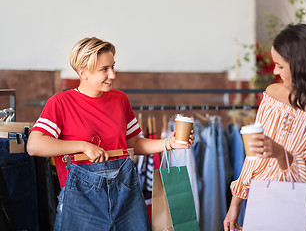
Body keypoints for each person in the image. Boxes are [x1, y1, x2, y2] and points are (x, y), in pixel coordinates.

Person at [26, 37, 194, 231]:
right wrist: (83, 146)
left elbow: (133, 143)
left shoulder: (120, 99)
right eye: (104, 69)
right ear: (83, 73)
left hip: (126, 194)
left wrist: (169, 143)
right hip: (81, 202)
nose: (112, 75)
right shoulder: (61, 102)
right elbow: (34, 145)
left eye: (113, 66)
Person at [223, 23, 306, 231]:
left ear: (302, 66)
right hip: (260, 203)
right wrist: (235, 203)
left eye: (280, 66)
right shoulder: (273, 95)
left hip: (305, 212)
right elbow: (253, 159)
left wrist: (283, 155)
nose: (274, 70)